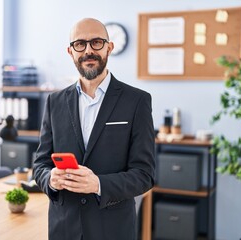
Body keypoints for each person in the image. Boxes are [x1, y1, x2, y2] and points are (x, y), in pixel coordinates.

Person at [33, 18, 155, 240]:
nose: (88, 50)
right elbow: (40, 164)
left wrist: (98, 184)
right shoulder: (54, 102)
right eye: (80, 44)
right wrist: (50, 178)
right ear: (70, 52)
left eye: (96, 42)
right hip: (63, 229)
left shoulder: (137, 101)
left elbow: (145, 175)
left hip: (112, 230)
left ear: (110, 47)